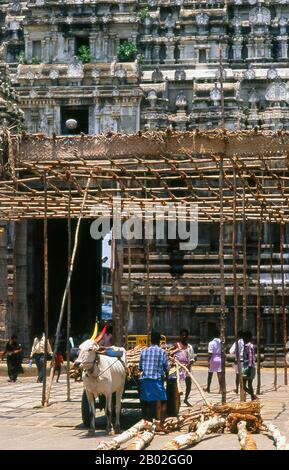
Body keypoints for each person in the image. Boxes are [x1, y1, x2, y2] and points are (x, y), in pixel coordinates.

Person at [139, 330, 169, 423]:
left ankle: (147, 422)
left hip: (145, 380)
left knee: (146, 402)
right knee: (163, 401)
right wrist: (166, 378)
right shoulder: (162, 352)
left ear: (150, 340)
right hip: (156, 381)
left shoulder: (144, 351)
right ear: (159, 341)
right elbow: (166, 367)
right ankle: (161, 423)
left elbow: (140, 367)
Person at [174, 329, 195, 406]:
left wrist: (188, 366)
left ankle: (186, 399)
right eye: (182, 335)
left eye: (185, 335)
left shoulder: (189, 347)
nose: (184, 336)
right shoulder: (176, 345)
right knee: (177, 384)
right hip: (177, 367)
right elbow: (172, 356)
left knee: (189, 384)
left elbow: (192, 358)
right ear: (180, 336)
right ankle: (177, 399)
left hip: (187, 367)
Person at [203, 329, 222, 393]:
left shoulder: (211, 343)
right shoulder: (221, 342)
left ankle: (208, 388)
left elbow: (210, 353)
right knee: (219, 374)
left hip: (213, 358)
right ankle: (221, 389)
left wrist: (208, 361)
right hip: (219, 358)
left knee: (210, 374)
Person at [243, 330, 257, 400]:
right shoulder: (249, 345)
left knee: (244, 385)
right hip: (249, 366)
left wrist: (248, 369)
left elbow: (251, 358)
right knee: (249, 385)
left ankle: (253, 396)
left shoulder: (249, 346)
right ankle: (253, 398)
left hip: (248, 367)